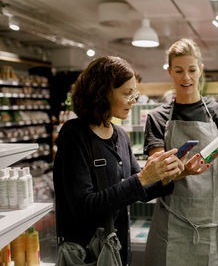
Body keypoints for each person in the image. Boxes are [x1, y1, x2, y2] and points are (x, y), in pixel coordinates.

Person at [53, 56, 186, 265]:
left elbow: (139, 191)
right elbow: (83, 206)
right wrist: (143, 178)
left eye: (135, 93)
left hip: (117, 251)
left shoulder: (120, 136)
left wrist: (168, 176)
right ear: (102, 93)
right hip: (87, 255)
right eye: (127, 93)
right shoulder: (74, 135)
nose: (134, 100)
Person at [143, 38, 218, 266]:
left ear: (200, 70)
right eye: (179, 70)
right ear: (170, 72)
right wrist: (183, 172)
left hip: (216, 225)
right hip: (172, 227)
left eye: (191, 70)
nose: (186, 77)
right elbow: (156, 177)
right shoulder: (157, 118)